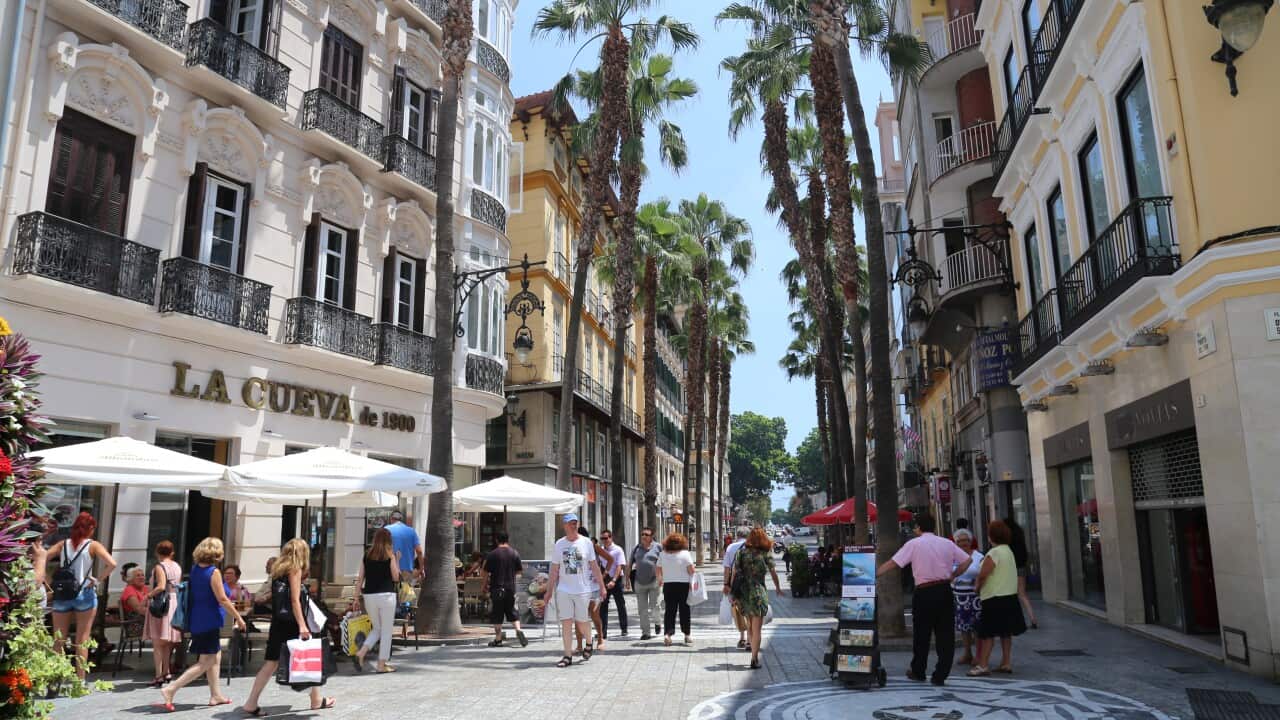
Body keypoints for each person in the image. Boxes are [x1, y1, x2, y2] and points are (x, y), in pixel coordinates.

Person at [240, 539, 336, 715]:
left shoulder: (278, 570)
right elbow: (294, 599)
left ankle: (251, 702)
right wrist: (302, 625)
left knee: (271, 663)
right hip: (292, 623)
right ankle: (316, 700)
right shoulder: (294, 569)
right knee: (307, 657)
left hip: (278, 622)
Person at [876, 513, 972, 686]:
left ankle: (918, 670)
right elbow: (967, 560)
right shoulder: (947, 543)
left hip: (924, 592)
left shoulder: (913, 544)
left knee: (922, 634)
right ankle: (940, 674)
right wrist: (953, 575)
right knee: (945, 634)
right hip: (944, 590)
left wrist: (874, 574)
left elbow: (894, 563)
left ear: (919, 528)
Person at [155, 538, 246, 711]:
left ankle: (216, 695)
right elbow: (222, 599)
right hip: (209, 621)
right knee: (205, 661)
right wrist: (238, 618)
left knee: (215, 657)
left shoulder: (195, 570)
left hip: (198, 619)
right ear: (216, 553)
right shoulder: (214, 572)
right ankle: (170, 689)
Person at [47, 512, 117, 681]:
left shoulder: (62, 544)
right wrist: (98, 580)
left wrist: (47, 582)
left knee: (59, 640)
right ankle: (80, 680)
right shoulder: (93, 545)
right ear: (91, 528)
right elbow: (112, 564)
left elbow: (43, 557)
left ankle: (55, 679)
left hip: (62, 594)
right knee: (82, 640)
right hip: (84, 593)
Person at [546, 513, 606, 668]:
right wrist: (548, 591)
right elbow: (554, 569)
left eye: (575, 523)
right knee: (566, 622)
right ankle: (567, 655)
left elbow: (594, 566)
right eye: (570, 523)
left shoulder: (586, 543)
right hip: (564, 590)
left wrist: (602, 586)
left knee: (582, 622)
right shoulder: (559, 544)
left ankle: (589, 640)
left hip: (582, 590)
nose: (573, 526)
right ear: (564, 526)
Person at [969, 520, 1027, 677]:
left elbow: (983, 575)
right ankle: (1006, 662)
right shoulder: (1008, 550)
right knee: (1005, 632)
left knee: (987, 633)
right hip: (1009, 596)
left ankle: (983, 665)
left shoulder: (993, 553)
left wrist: (977, 588)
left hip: (994, 597)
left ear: (991, 536)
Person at [731, 528, 783, 670]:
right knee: (757, 629)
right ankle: (754, 658)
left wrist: (732, 593)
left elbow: (734, 573)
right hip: (759, 592)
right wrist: (778, 588)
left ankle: (751, 648)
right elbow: (773, 572)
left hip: (744, 593)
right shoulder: (765, 553)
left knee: (750, 625)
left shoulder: (741, 553)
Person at [353, 528, 400, 673]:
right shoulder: (389, 555)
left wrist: (355, 597)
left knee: (377, 628)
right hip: (386, 595)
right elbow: (396, 577)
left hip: (369, 596)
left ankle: (361, 653)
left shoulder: (367, 555)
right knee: (386, 631)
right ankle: (381, 664)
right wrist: (397, 560)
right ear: (388, 540)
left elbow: (360, 578)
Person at [145, 540, 183, 687]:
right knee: (167, 643)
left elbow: (160, 586)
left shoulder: (159, 567)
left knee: (157, 642)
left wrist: (147, 596)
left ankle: (158, 675)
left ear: (157, 552)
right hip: (173, 602)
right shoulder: (177, 566)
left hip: (161, 604)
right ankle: (166, 672)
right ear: (172, 552)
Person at [481, 532, 526, 648]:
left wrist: (483, 586)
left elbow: (485, 573)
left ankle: (498, 639)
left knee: (497, 614)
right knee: (511, 611)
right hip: (510, 588)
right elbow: (520, 571)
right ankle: (518, 630)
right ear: (508, 540)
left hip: (497, 588)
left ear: (496, 540)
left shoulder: (492, 554)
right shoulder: (514, 553)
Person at [656, 532, 696, 647]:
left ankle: (668, 634)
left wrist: (660, 580)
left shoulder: (663, 554)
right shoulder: (685, 554)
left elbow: (658, 569)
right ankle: (687, 634)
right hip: (683, 585)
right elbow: (691, 570)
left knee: (670, 610)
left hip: (668, 585)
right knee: (684, 610)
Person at [951, 529, 984, 666]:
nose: (963, 543)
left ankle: (979, 655)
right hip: (959, 596)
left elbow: (983, 574)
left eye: (966, 540)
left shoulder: (979, 556)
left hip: (975, 597)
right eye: (959, 541)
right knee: (963, 627)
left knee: (976, 627)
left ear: (971, 542)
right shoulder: (952, 557)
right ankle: (967, 654)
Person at [629, 527, 662, 640]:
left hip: (654, 582)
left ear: (651, 537)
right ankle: (646, 632)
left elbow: (664, 562)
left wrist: (663, 578)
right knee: (642, 610)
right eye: (642, 534)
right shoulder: (636, 549)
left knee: (655, 607)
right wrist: (627, 580)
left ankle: (657, 622)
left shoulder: (658, 547)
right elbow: (629, 564)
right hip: (639, 582)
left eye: (646, 534)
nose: (643, 536)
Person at [1006, 516, 1038, 629]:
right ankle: (1033, 618)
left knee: (1009, 595)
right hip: (1021, 567)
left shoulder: (1007, 541)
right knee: (1023, 594)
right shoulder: (1020, 538)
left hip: (1010, 568)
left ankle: (1012, 621)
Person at [721, 528, 750, 649]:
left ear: (737, 535)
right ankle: (749, 640)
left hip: (736, 582)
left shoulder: (731, 548)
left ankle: (742, 637)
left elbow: (727, 568)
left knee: (738, 610)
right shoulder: (753, 546)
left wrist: (726, 584)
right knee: (750, 611)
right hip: (750, 583)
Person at [598, 529, 628, 639]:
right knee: (603, 606)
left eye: (606, 538)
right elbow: (600, 565)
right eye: (602, 538)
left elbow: (620, 566)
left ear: (611, 538)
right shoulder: (601, 550)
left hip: (616, 579)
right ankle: (603, 631)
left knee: (620, 604)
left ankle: (624, 628)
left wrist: (614, 580)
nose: (604, 541)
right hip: (605, 580)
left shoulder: (618, 550)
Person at [385, 510, 423, 583]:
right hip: (407, 571)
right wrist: (421, 569)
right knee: (405, 593)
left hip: (389, 569)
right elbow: (419, 551)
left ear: (391, 519)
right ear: (401, 520)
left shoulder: (386, 529)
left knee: (390, 592)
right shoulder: (411, 531)